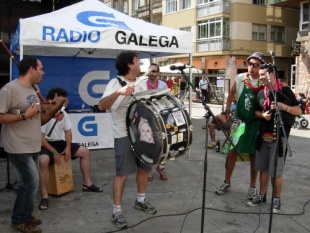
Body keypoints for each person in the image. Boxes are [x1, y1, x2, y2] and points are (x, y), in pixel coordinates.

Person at [98, 51, 157, 229]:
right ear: (130, 65)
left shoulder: (141, 84)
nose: (140, 63)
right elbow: (101, 105)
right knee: (122, 174)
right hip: (123, 134)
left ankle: (140, 200)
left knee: (144, 168)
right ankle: (117, 211)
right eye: (137, 60)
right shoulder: (114, 83)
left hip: (142, 133)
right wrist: (119, 92)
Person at [247, 66, 301, 213]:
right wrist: (262, 115)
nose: (261, 77)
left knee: (276, 172)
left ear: (272, 74)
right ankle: (262, 195)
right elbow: (256, 111)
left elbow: (298, 110)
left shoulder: (284, 91)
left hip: (279, 138)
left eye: (264, 75)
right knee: (263, 169)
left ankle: (276, 199)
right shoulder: (260, 93)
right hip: (263, 137)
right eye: (260, 75)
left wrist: (283, 106)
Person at [38, 87, 102, 211]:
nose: (63, 100)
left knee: (85, 152)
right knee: (43, 161)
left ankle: (87, 184)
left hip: (59, 142)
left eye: (64, 98)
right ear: (51, 99)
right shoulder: (44, 113)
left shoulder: (63, 113)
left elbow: (68, 132)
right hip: (45, 144)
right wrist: (54, 152)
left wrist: (67, 148)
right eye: (59, 97)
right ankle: (44, 196)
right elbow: (40, 139)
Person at [0, 56, 44, 233]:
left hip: (33, 144)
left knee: (29, 183)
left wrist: (54, 114)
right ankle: (19, 220)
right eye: (41, 68)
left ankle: (25, 215)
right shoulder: (8, 90)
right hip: (17, 145)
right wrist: (24, 115)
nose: (43, 72)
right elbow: (1, 116)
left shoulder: (34, 88)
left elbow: (39, 116)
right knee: (31, 181)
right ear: (32, 70)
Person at [215, 52, 265, 200]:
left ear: (261, 67)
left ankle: (252, 186)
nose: (252, 67)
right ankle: (226, 181)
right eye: (250, 64)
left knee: (254, 156)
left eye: (256, 65)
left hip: (256, 124)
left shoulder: (264, 81)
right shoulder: (241, 78)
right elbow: (231, 93)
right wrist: (227, 111)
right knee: (232, 152)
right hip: (239, 122)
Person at [145, 63, 169, 182]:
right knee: (149, 143)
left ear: (158, 73)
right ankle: (149, 169)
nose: (151, 73)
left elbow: (168, 100)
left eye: (154, 71)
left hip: (161, 117)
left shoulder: (163, 84)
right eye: (150, 71)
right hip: (147, 118)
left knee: (163, 143)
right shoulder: (143, 85)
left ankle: (161, 167)